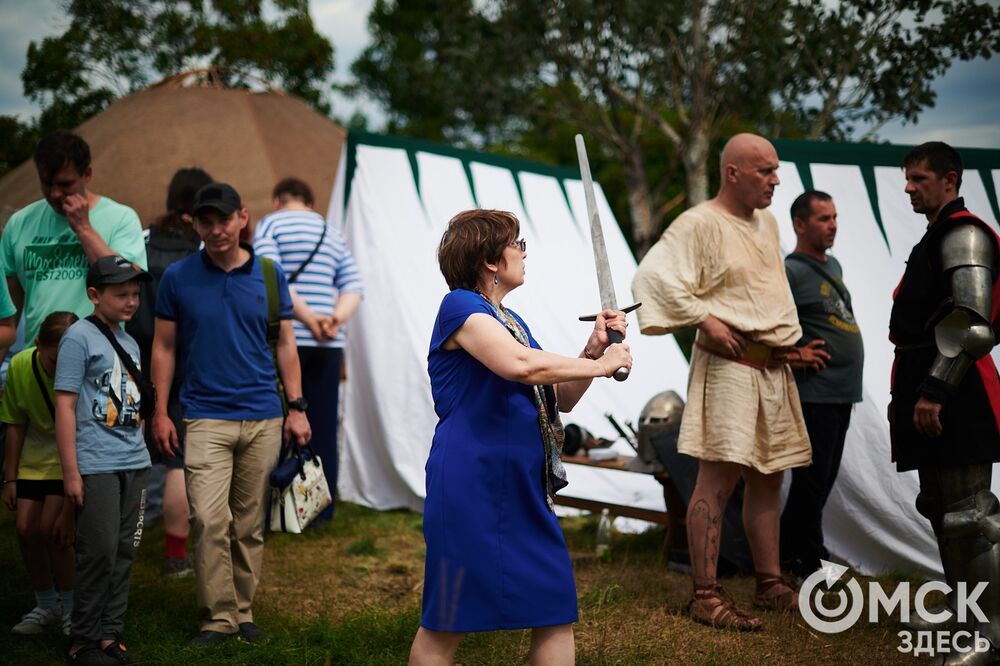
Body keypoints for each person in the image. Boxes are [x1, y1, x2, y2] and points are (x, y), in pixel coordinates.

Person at [408, 209, 632, 666]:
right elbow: (520, 366)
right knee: (446, 620)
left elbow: (558, 397)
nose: (524, 252)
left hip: (523, 486)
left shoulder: (510, 320)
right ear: (491, 260)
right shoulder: (461, 307)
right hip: (470, 484)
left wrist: (593, 350)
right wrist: (603, 365)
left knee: (553, 608)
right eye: (518, 244)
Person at [631, 133, 825, 631]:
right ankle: (705, 594)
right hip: (729, 369)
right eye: (765, 171)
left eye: (775, 170)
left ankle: (769, 582)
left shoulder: (767, 223)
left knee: (768, 476)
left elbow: (758, 294)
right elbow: (652, 278)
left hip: (771, 370)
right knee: (716, 481)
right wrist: (703, 318)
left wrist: (786, 348)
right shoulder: (698, 223)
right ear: (732, 172)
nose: (776, 180)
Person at [151, 182, 311, 647]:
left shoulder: (268, 273)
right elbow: (163, 347)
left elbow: (285, 343)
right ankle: (217, 617)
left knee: (248, 522)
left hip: (263, 414)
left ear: (243, 218)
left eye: (224, 219)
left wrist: (296, 408)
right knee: (208, 518)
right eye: (206, 221)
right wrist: (160, 411)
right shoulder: (178, 277)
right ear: (195, 224)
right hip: (203, 416)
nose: (216, 230)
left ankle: (243, 612)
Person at [888, 141, 1000, 662]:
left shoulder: (964, 233)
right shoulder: (937, 235)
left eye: (918, 179)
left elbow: (972, 321)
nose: (909, 187)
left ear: (949, 179)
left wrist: (935, 390)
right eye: (908, 179)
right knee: (939, 507)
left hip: (955, 387)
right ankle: (963, 617)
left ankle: (989, 634)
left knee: (970, 515)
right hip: (927, 380)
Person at [54, 256, 152, 665]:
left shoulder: (130, 342)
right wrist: (71, 472)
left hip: (134, 461)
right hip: (95, 464)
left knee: (125, 549)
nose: (131, 301)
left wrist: (140, 446)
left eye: (135, 293)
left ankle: (111, 634)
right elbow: (64, 405)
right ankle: (83, 640)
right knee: (98, 550)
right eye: (121, 294)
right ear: (95, 295)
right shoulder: (78, 337)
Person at [253, 177, 363, 524]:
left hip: (290, 339)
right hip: (328, 344)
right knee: (323, 424)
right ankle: (320, 509)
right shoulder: (330, 231)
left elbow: (272, 276)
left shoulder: (271, 223)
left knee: (280, 421)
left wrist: (308, 318)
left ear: (277, 200)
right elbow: (353, 285)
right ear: (310, 202)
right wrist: (333, 319)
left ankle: (278, 507)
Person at [126, 167, 212, 577]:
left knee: (134, 451)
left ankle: (124, 540)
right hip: (187, 359)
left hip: (137, 357)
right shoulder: (202, 247)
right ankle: (176, 555)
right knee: (178, 460)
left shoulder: (141, 239)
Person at [779, 191, 863, 581]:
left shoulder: (836, 265)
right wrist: (797, 353)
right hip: (816, 391)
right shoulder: (792, 271)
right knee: (811, 481)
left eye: (834, 217)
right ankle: (804, 560)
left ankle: (799, 552)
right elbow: (776, 322)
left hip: (842, 390)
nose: (832, 225)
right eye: (823, 218)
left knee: (824, 478)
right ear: (800, 224)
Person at [1, 131, 146, 345]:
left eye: (65, 184)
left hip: (99, 361)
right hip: (36, 362)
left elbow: (127, 280)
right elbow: (7, 317)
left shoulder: (121, 218)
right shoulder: (20, 223)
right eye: (47, 184)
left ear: (86, 174)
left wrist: (84, 228)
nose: (55, 194)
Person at [2, 311, 79, 637]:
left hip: (69, 459)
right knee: (25, 528)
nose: (59, 368)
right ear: (37, 344)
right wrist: (10, 478)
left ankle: (73, 609)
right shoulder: (20, 366)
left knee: (54, 530)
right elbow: (15, 424)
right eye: (52, 360)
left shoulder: (82, 364)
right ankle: (46, 603)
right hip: (33, 459)